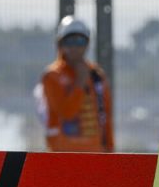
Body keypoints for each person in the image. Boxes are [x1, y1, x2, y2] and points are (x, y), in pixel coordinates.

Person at [41, 16, 115, 152]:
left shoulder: (97, 75)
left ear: (87, 44)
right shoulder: (52, 76)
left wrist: (110, 152)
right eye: (69, 41)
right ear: (60, 44)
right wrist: (80, 82)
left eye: (80, 41)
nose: (74, 47)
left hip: (95, 155)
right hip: (63, 156)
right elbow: (66, 112)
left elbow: (106, 117)